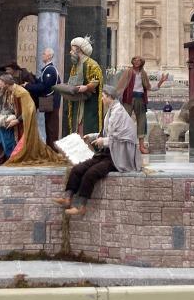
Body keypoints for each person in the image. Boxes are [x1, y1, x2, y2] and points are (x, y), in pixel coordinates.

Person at [54, 84, 142, 216]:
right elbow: (107, 133)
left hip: (116, 155)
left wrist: (103, 141)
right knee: (79, 168)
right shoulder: (111, 111)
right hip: (106, 153)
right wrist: (94, 136)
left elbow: (120, 138)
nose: (101, 99)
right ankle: (68, 198)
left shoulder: (118, 113)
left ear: (110, 97)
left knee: (91, 173)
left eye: (103, 96)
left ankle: (82, 206)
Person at [2, 73, 63, 166]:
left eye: (1, 82)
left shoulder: (22, 92)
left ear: (6, 83)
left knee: (51, 128)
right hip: (15, 120)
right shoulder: (9, 92)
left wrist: (18, 120)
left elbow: (30, 109)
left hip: (24, 122)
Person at [114, 57, 169, 153]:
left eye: (138, 61)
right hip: (128, 98)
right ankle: (122, 143)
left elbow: (150, 87)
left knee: (142, 121)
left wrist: (161, 81)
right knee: (124, 119)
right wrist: (115, 97)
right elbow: (121, 85)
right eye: (134, 60)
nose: (136, 62)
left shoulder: (143, 73)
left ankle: (141, 145)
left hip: (140, 98)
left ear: (141, 63)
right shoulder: (128, 72)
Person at [63, 36, 104, 136]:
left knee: (87, 126)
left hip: (89, 102)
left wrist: (86, 87)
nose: (70, 52)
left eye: (72, 49)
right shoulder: (76, 65)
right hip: (77, 100)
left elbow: (96, 80)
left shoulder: (92, 64)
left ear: (78, 49)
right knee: (76, 125)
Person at [25, 47, 60, 147]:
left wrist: (28, 86)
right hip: (48, 101)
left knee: (51, 128)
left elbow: (44, 87)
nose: (42, 55)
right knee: (48, 126)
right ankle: (50, 150)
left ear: (49, 56)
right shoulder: (46, 69)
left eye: (44, 54)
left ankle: (53, 152)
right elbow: (41, 82)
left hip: (51, 102)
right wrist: (31, 79)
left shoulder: (50, 70)